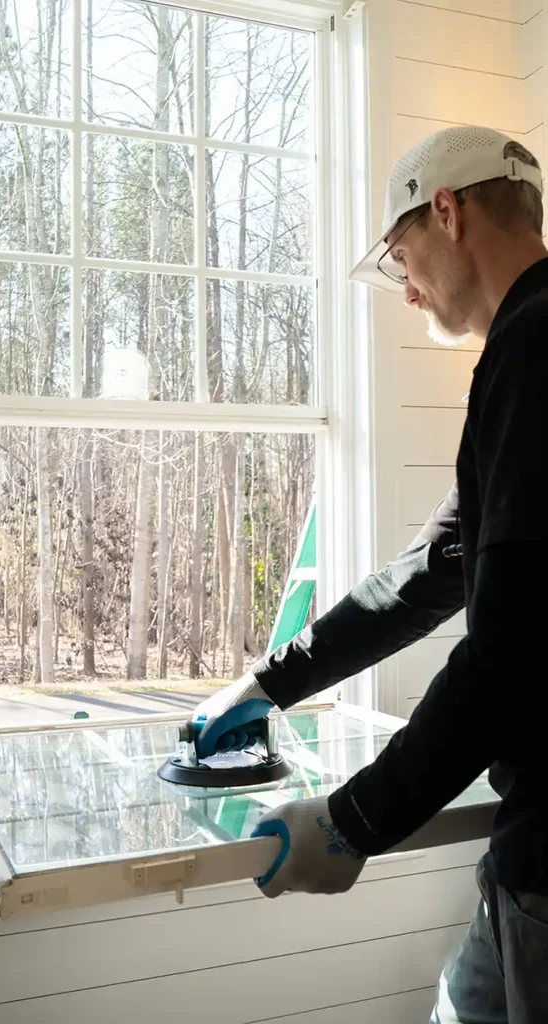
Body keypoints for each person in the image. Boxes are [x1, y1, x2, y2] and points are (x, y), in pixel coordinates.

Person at [191, 125, 548, 1023]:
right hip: (527, 853)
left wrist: (354, 821)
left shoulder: (534, 345)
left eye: (400, 257)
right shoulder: (529, 340)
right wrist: (273, 681)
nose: (405, 291)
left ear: (447, 210)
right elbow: (437, 566)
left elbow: (511, 645)